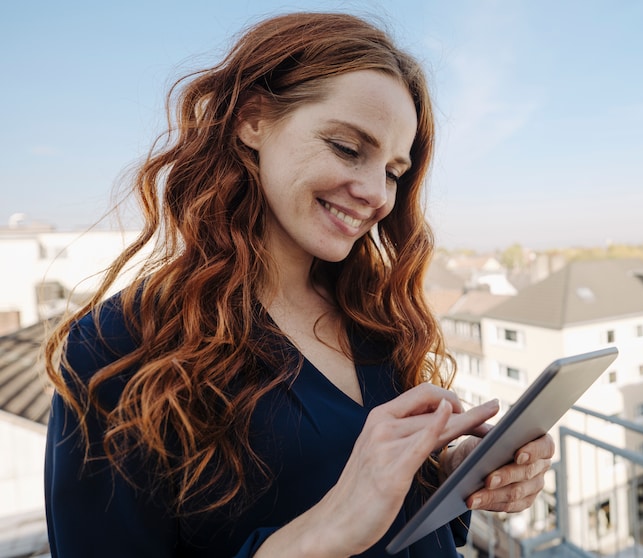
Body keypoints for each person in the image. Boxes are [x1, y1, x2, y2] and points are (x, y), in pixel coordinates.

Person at [43, 12, 554, 558]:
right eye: (347, 147)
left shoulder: (373, 319)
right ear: (253, 120)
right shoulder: (117, 345)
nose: (377, 194)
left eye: (393, 171)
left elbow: (388, 509)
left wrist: (450, 476)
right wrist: (324, 530)